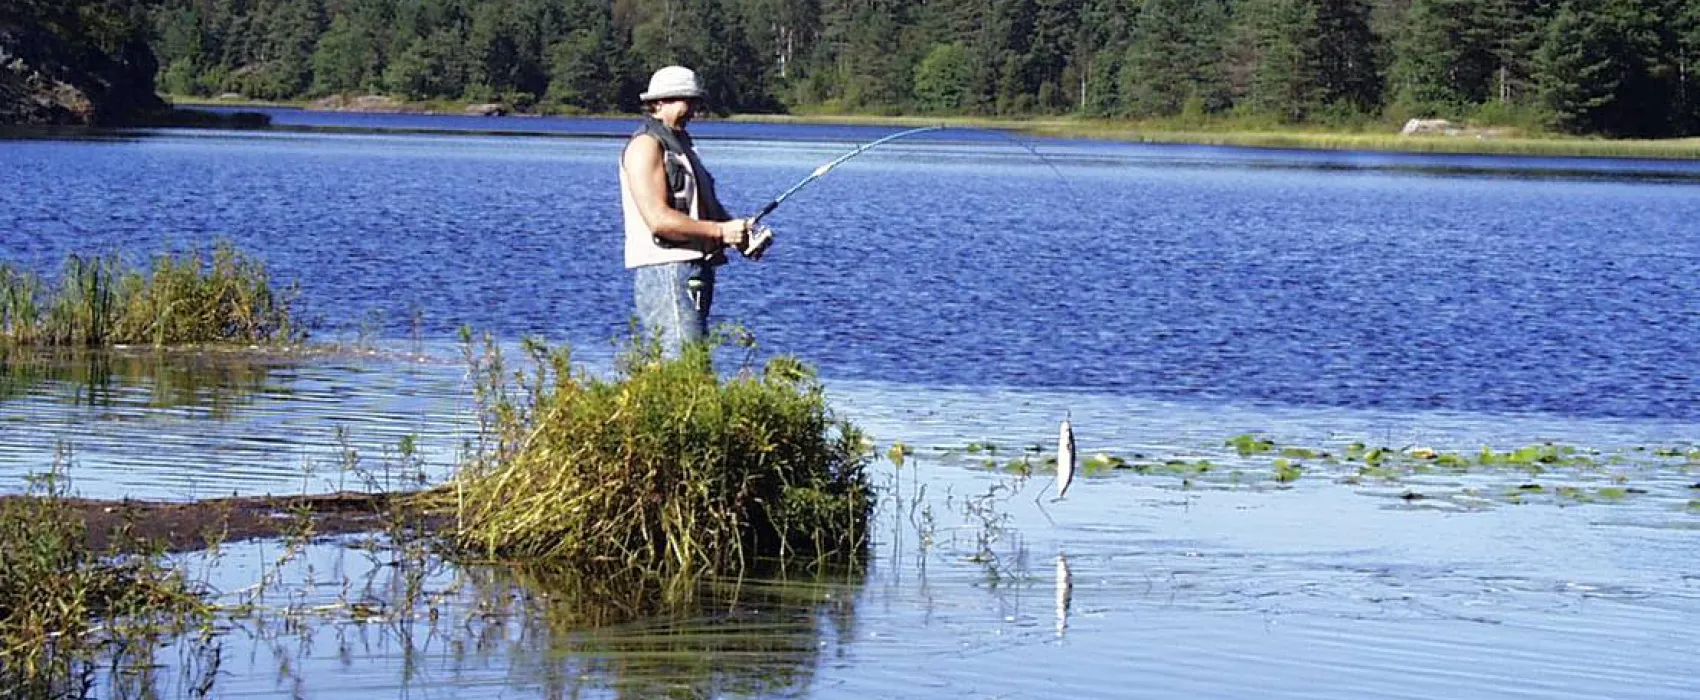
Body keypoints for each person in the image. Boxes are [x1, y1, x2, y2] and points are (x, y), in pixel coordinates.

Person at [620, 65, 755, 356]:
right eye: (687, 101)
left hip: (695, 268)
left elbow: (708, 209)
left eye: (696, 102)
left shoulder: (682, 148)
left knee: (692, 360)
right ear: (659, 103)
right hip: (666, 269)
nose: (693, 110)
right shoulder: (646, 145)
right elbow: (659, 220)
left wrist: (739, 234)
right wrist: (720, 232)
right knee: (682, 361)